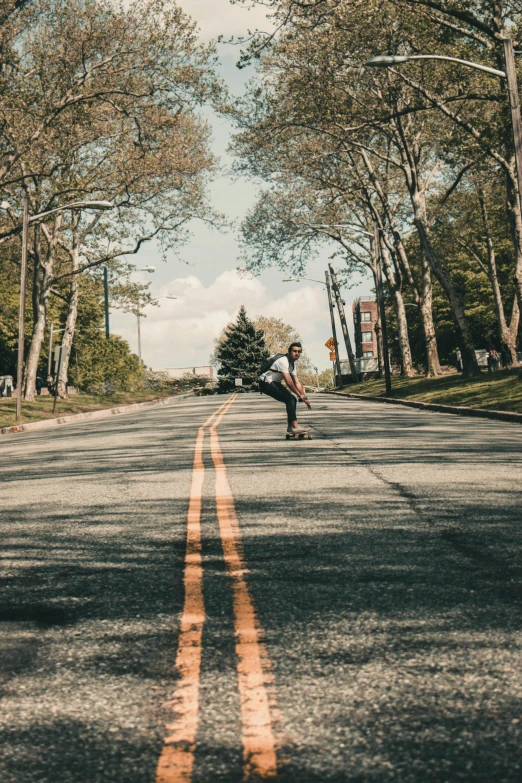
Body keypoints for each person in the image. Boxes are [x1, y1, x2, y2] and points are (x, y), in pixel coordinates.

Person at [259, 342, 312, 434]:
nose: (297, 354)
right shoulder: (283, 361)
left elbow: (297, 382)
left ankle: (291, 427)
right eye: (294, 351)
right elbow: (289, 382)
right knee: (289, 399)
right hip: (266, 382)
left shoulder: (292, 365)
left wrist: (304, 397)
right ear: (289, 352)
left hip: (273, 382)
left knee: (293, 400)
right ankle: (295, 426)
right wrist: (300, 395)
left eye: (299, 352)